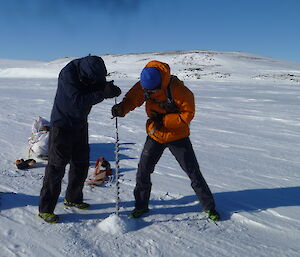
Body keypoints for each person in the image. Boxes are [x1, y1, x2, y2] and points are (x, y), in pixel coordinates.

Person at [111, 60, 220, 221]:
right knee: (143, 170)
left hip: (178, 136)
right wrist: (122, 108)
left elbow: (187, 115)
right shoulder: (145, 84)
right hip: (155, 134)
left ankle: (209, 207)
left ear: (162, 82)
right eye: (146, 89)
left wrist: (164, 120)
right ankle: (141, 206)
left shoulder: (181, 91)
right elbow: (132, 100)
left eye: (152, 89)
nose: (148, 92)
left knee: (193, 172)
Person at [39, 56, 121, 223]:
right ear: (85, 74)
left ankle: (73, 198)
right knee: (56, 167)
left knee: (81, 163)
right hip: (62, 125)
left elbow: (98, 86)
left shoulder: (92, 71)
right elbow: (77, 101)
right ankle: (45, 209)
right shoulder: (67, 75)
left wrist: (108, 88)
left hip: (80, 124)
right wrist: (102, 94)